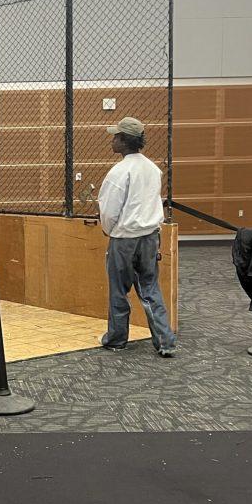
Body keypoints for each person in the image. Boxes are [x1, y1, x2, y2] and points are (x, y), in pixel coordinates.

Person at [97, 116, 177, 357]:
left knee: (119, 290)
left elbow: (110, 210)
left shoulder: (119, 172)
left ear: (123, 141)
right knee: (150, 287)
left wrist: (108, 230)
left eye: (115, 137)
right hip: (150, 237)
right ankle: (165, 340)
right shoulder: (153, 168)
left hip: (124, 239)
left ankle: (117, 338)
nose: (112, 141)